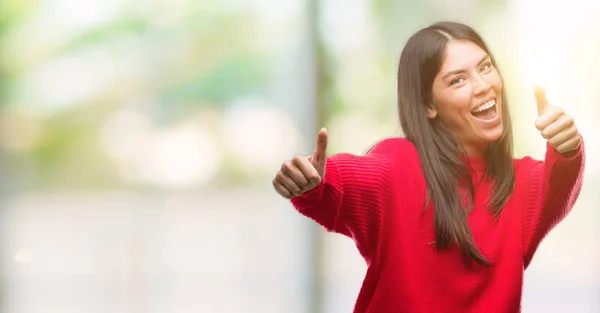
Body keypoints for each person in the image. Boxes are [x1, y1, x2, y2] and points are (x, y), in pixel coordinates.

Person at [272, 21, 585, 313]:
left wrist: (568, 145)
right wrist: (315, 181)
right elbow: (352, 178)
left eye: (485, 67)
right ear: (428, 106)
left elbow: (560, 181)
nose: (482, 86)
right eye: (458, 80)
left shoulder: (522, 184)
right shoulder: (400, 164)